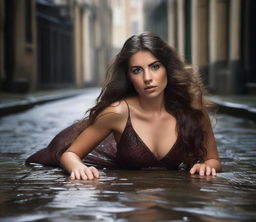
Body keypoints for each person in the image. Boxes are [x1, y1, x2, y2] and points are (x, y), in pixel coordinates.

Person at [26, 32, 221, 180]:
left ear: (167, 68)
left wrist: (207, 166)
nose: (147, 78)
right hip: (99, 155)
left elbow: (213, 159)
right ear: (128, 76)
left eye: (155, 66)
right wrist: (79, 168)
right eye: (137, 70)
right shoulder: (117, 112)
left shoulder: (191, 104)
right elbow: (70, 154)